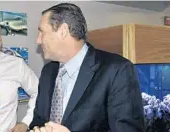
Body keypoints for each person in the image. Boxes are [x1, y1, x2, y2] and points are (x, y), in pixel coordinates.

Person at [29, 3, 144, 132]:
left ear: (62, 31)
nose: (38, 40)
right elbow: (38, 120)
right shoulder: (48, 71)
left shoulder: (117, 70)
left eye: (41, 32)